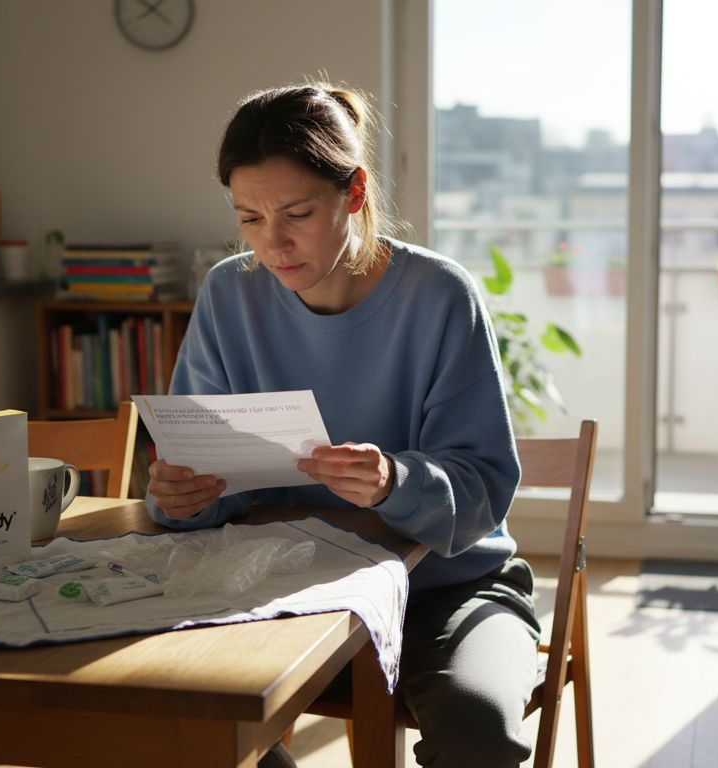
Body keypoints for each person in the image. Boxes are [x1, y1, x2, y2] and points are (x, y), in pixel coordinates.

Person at [145, 82, 542, 767]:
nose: (274, 243)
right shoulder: (228, 295)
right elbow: (201, 471)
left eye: (297, 213)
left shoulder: (440, 296)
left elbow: (480, 490)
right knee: (181, 719)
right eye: (248, 218)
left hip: (444, 591)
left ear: (353, 194)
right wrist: (181, 495)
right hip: (281, 588)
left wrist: (395, 480)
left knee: (481, 738)